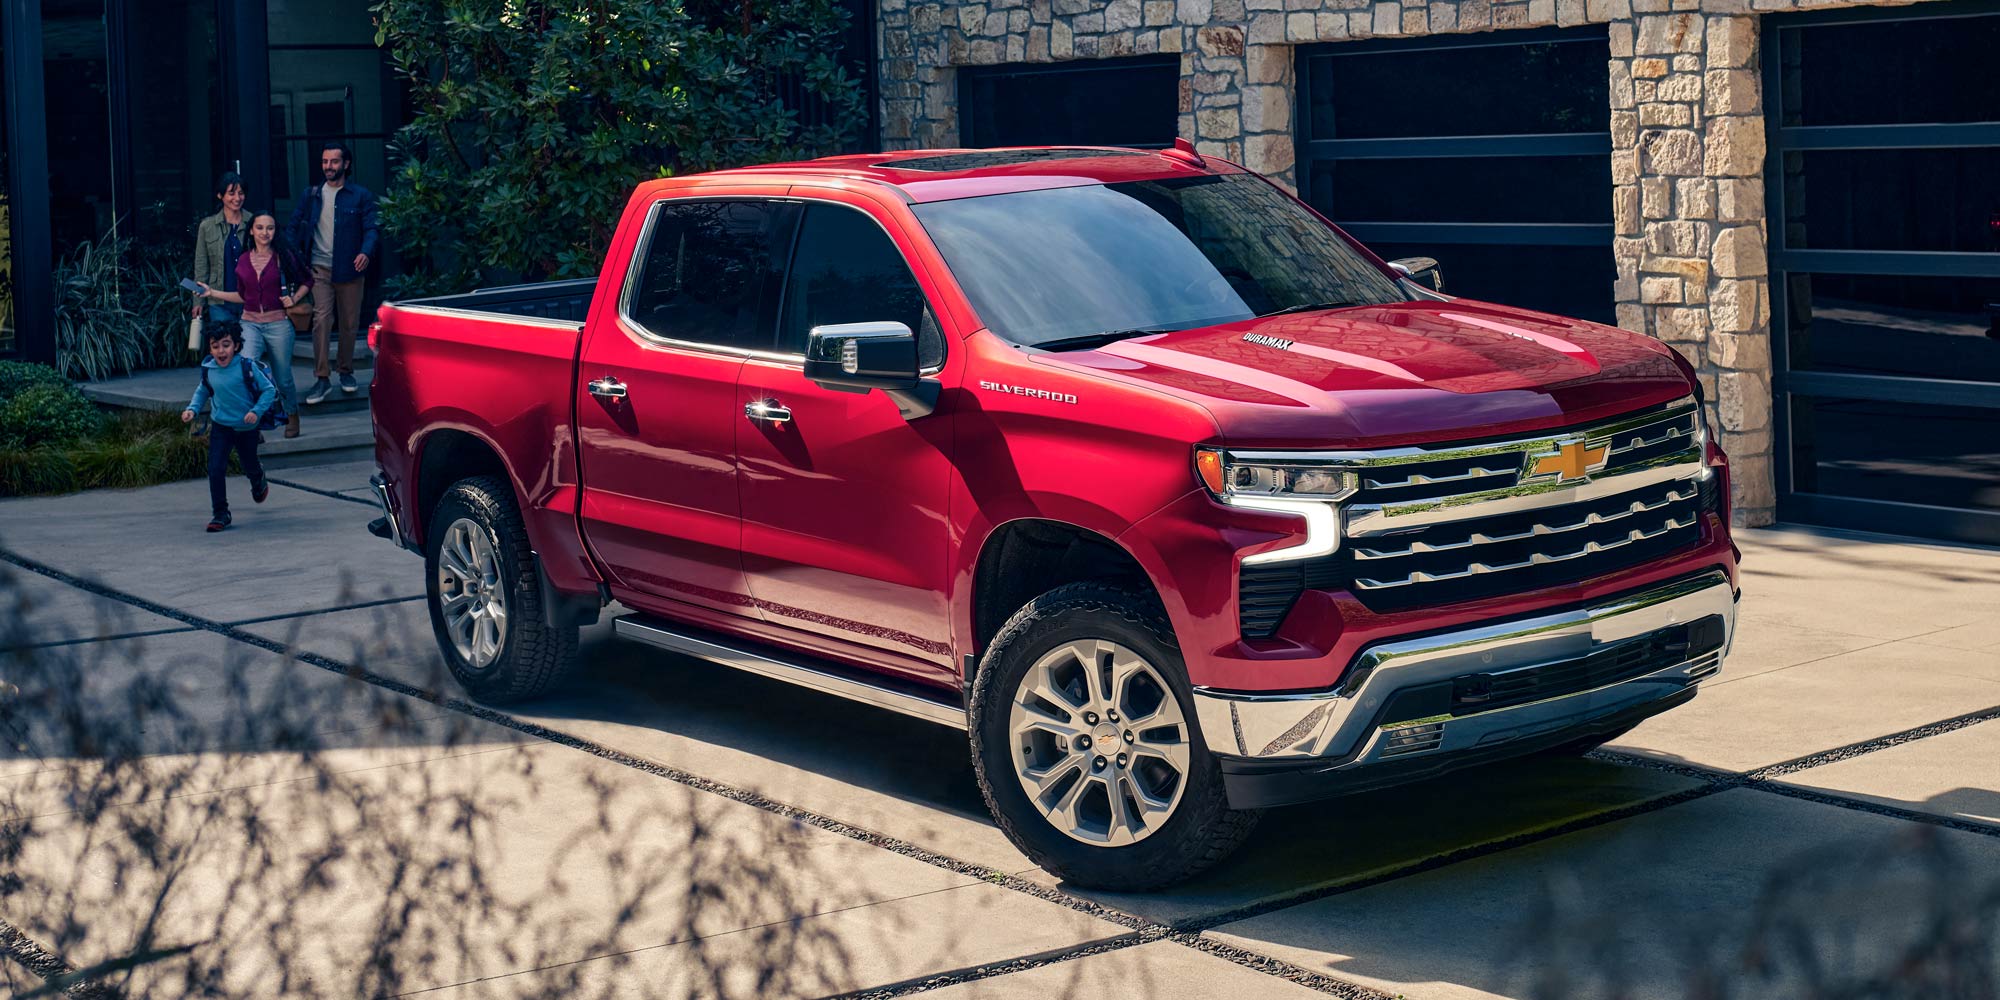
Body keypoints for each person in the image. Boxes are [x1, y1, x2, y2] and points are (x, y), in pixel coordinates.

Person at [196, 212, 311, 438]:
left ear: (275, 231)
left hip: (278, 322)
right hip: (249, 323)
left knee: (283, 376)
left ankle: (291, 414)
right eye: (259, 228)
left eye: (269, 228)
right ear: (251, 231)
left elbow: (308, 280)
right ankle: (252, 422)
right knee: (246, 373)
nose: (264, 233)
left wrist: (294, 299)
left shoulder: (283, 256)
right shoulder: (244, 259)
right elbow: (243, 296)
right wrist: (212, 293)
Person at [287, 140, 380, 405]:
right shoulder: (312, 194)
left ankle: (346, 371)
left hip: (350, 269)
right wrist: (295, 260)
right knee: (321, 320)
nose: (329, 166)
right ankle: (322, 377)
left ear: (346, 164)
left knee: (350, 324)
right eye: (325, 162)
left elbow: (372, 228)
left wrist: (365, 251)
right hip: (318, 268)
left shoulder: (360, 195)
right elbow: (293, 226)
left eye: (334, 162)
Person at [181, 321, 276, 532]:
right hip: (221, 426)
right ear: (210, 348)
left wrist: (256, 412)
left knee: (248, 463)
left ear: (236, 345)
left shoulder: (246, 366)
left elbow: (269, 390)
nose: (221, 351)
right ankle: (221, 513)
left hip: (246, 428)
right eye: (215, 346)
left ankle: (257, 478)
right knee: (215, 468)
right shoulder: (209, 369)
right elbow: (203, 391)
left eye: (226, 345)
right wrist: (192, 409)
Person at [192, 172, 248, 324]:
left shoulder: (253, 222)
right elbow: (201, 266)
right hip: (218, 301)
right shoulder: (207, 226)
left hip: (249, 301)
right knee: (224, 344)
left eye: (241, 193)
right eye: (231, 193)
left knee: (248, 346)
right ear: (220, 195)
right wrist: (198, 302)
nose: (237, 198)